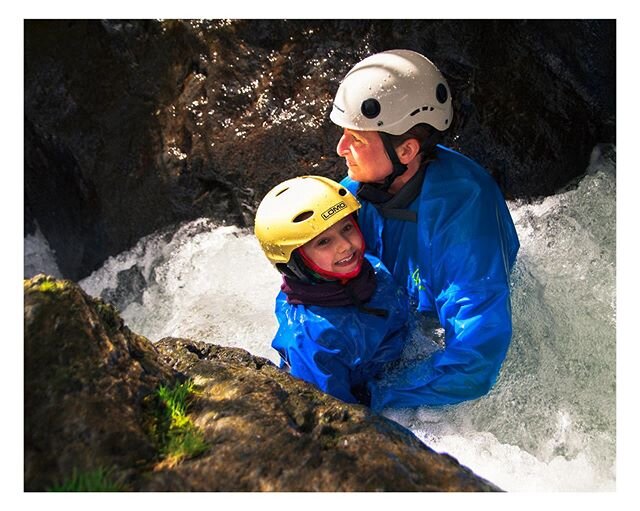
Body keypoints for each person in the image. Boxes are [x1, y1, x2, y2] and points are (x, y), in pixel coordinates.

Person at [330, 49, 520, 410]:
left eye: (356, 139)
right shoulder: (358, 190)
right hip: (406, 324)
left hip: (452, 350)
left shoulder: (463, 206)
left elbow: (477, 354)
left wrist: (377, 395)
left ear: (406, 151)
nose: (341, 149)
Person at [254, 175, 408, 405]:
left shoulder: (371, 268)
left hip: (392, 366)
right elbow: (336, 414)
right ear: (294, 262)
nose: (345, 245)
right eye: (323, 242)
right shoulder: (311, 338)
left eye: (347, 227)